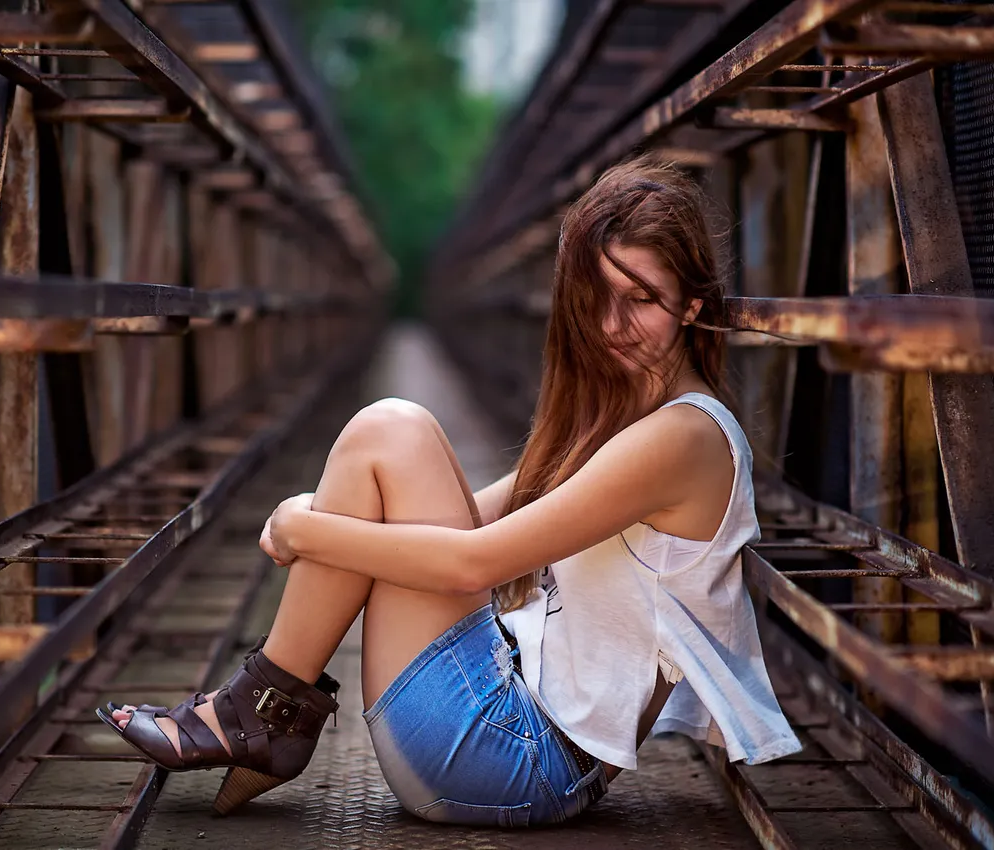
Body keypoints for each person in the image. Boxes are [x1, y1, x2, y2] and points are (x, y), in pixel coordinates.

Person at [98, 152, 801, 827]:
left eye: (641, 299)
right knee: (391, 439)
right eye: (596, 300)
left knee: (390, 428)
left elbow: (473, 563)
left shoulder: (684, 437)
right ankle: (262, 716)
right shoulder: (631, 417)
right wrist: (333, 517)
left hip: (521, 763)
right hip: (515, 738)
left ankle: (260, 715)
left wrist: (303, 526)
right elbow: (483, 519)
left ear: (691, 305)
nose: (612, 326)